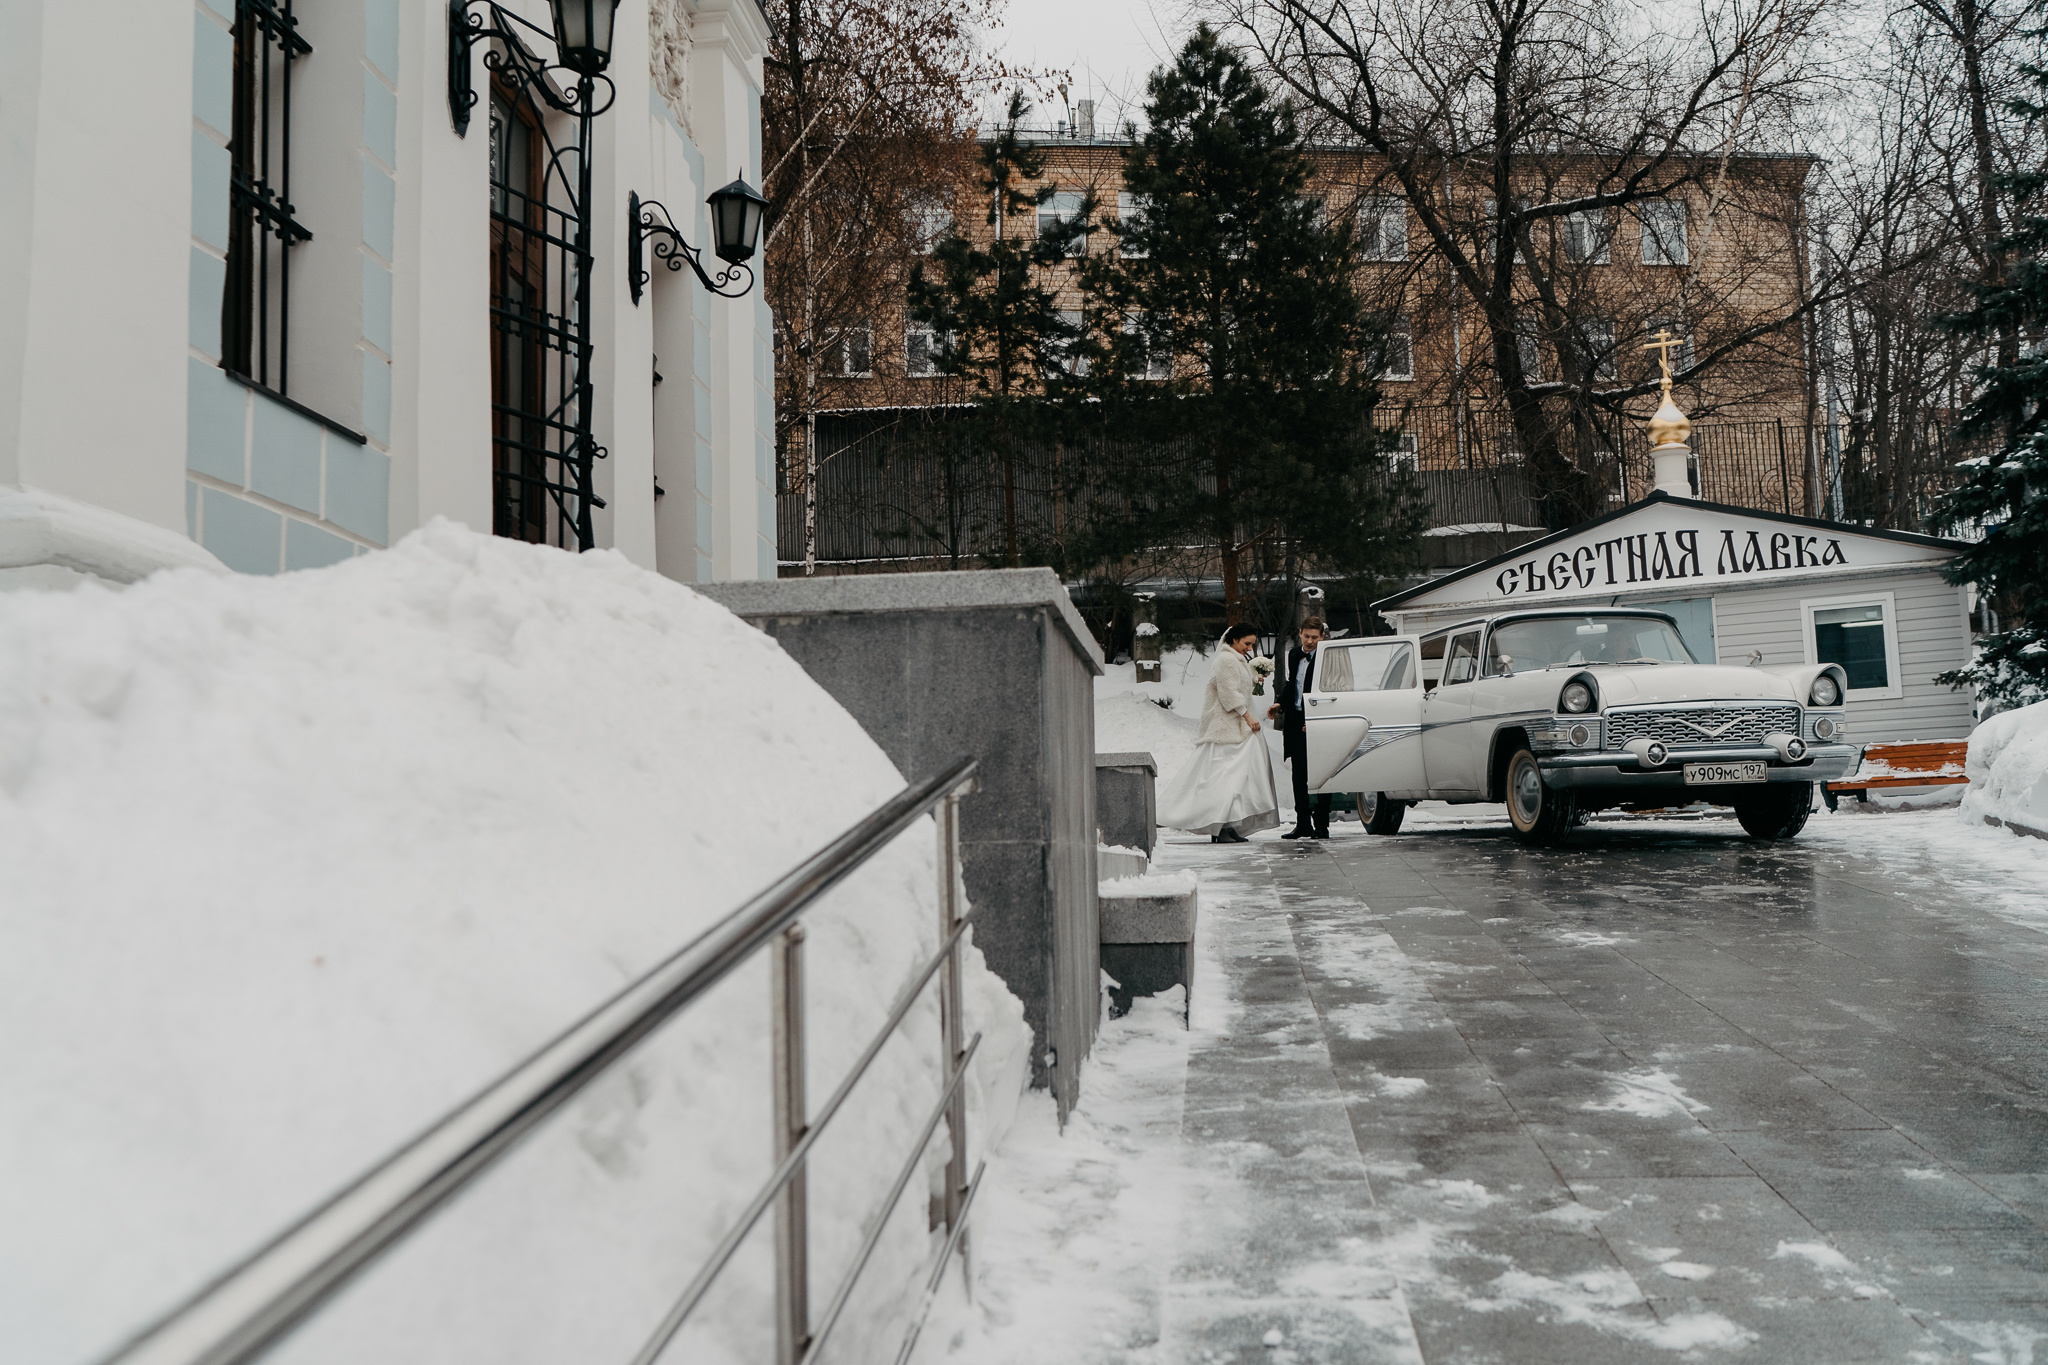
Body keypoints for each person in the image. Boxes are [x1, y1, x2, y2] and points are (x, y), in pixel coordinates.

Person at [1156, 623, 1281, 843]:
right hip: (1226, 727)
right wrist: (1248, 715)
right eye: (1247, 643)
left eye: (1253, 644)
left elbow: (1237, 686)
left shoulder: (1236, 659)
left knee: (1235, 777)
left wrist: (1255, 679)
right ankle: (1219, 824)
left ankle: (1227, 824)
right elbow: (1227, 693)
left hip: (1236, 727)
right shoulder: (1225, 660)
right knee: (1225, 778)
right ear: (1234, 640)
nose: (1250, 649)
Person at [1271, 616, 1332, 839]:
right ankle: (1302, 823)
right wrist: (1280, 703)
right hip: (1296, 721)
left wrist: (1316, 720)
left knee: (1322, 775)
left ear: (1322, 637)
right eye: (1306, 636)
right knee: (1299, 775)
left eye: (1314, 637)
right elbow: (1291, 684)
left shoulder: (1328, 656)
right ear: (1299, 633)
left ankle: (1322, 826)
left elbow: (1330, 691)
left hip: (1317, 722)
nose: (1309, 641)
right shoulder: (1295, 654)